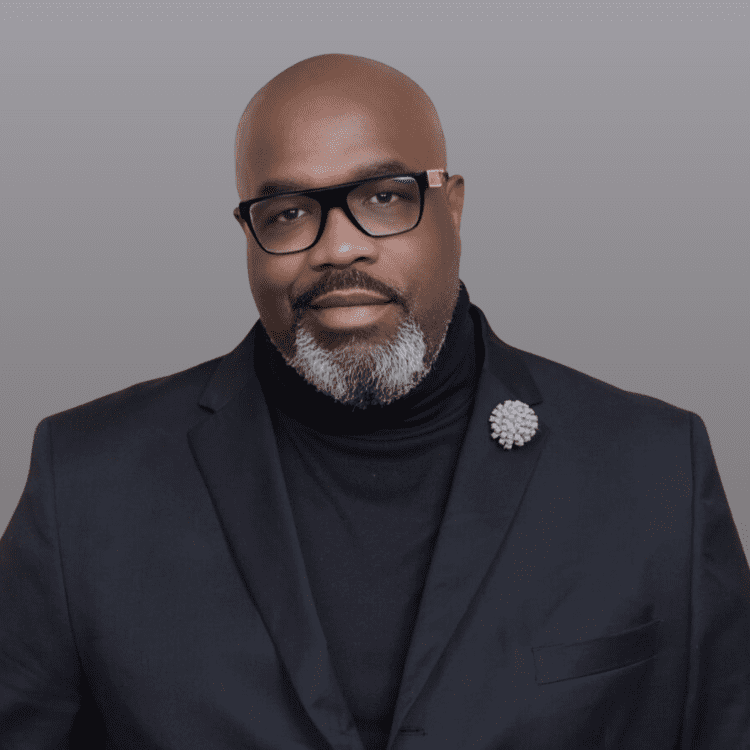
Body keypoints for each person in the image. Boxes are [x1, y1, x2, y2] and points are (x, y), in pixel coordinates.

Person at [1, 53, 748, 750]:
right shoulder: (87, 482)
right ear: (248, 233)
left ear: (452, 207)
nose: (338, 247)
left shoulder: (656, 470)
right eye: (288, 211)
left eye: (384, 198)